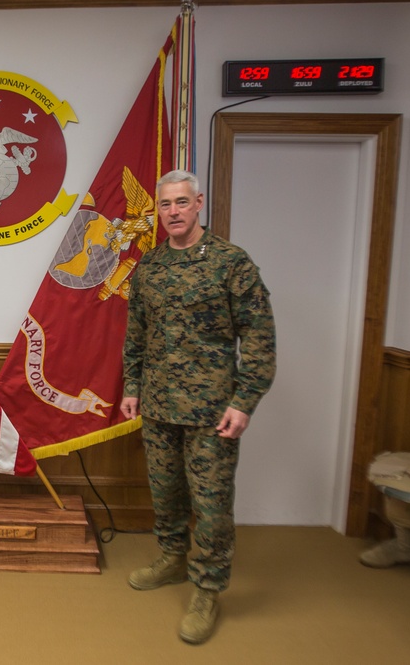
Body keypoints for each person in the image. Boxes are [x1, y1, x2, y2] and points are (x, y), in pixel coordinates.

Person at [121, 170, 276, 645]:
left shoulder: (231, 263)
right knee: (166, 493)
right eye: (165, 205)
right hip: (160, 405)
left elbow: (258, 335)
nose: (173, 213)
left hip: (213, 410)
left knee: (210, 505)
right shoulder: (149, 266)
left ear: (199, 203)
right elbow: (136, 333)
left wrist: (245, 399)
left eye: (182, 203)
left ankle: (207, 587)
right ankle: (171, 559)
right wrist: (132, 386)